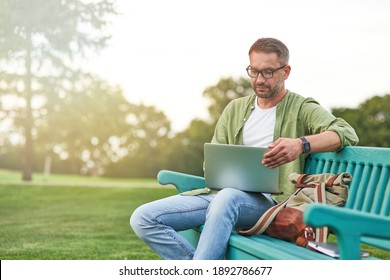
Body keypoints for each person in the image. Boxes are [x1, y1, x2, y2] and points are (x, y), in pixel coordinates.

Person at [130, 37, 359, 260]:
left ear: (286, 72)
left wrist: (301, 144)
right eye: (254, 71)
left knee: (228, 197)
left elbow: (346, 132)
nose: (259, 79)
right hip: (220, 197)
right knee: (143, 218)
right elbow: (212, 162)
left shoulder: (301, 107)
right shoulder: (235, 108)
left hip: (269, 206)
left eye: (268, 72)